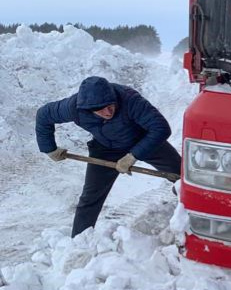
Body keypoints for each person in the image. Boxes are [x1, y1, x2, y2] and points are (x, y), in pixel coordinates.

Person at [36, 76, 181, 237]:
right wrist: (49, 148)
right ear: (87, 108)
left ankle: (193, 215)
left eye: (110, 105)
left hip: (144, 140)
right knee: (90, 197)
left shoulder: (129, 99)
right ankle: (79, 241)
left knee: (184, 177)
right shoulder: (74, 108)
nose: (108, 112)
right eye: (100, 109)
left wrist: (133, 156)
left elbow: (161, 128)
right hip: (106, 148)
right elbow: (44, 115)